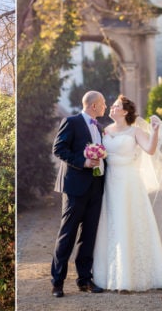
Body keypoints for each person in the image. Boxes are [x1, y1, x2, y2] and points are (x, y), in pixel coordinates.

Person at [93, 95, 162, 291]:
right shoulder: (105, 131)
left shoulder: (135, 131)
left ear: (125, 112)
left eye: (115, 106)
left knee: (131, 220)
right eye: (112, 106)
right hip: (110, 181)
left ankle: (132, 275)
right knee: (112, 221)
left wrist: (155, 131)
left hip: (130, 181)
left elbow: (150, 149)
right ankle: (112, 273)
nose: (112, 108)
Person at [51, 90, 107, 298]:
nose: (105, 107)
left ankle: (84, 280)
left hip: (96, 186)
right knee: (67, 235)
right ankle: (57, 282)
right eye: (102, 104)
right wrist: (82, 161)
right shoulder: (71, 122)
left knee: (89, 235)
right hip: (75, 187)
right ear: (93, 106)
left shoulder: (99, 127)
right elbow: (59, 149)